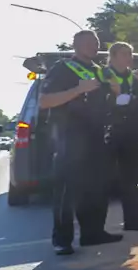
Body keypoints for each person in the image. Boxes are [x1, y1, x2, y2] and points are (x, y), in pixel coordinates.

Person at [38, 29, 123, 255]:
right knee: (67, 190)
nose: (92, 46)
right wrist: (78, 89)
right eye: (86, 42)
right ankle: (62, 240)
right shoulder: (62, 68)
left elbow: (115, 100)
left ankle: (93, 233)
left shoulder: (101, 71)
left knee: (97, 188)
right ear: (75, 45)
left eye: (95, 42)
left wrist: (116, 89)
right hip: (70, 136)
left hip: (97, 136)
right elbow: (45, 101)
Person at [104, 41, 138, 232]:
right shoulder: (104, 75)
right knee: (102, 180)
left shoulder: (134, 78)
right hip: (108, 131)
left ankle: (132, 221)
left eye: (130, 55)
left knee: (130, 180)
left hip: (131, 133)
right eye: (125, 54)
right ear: (113, 56)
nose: (129, 59)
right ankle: (97, 227)